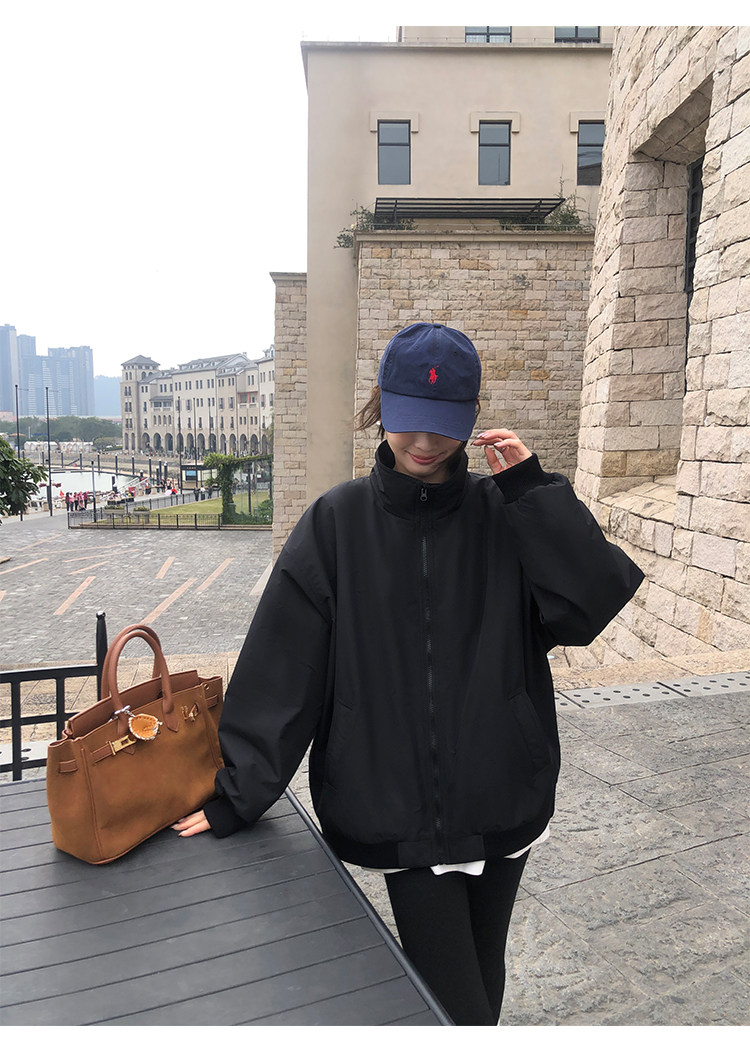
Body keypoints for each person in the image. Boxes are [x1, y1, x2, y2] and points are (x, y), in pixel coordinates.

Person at [173, 322, 643, 1025]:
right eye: (409, 421)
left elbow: (588, 605)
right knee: (454, 1001)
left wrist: (533, 491)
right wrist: (235, 796)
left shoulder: (508, 511)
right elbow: (283, 667)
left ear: (473, 415)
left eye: (444, 424)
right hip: (392, 803)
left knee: (481, 974)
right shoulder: (337, 523)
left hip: (501, 791)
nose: (424, 442)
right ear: (381, 405)